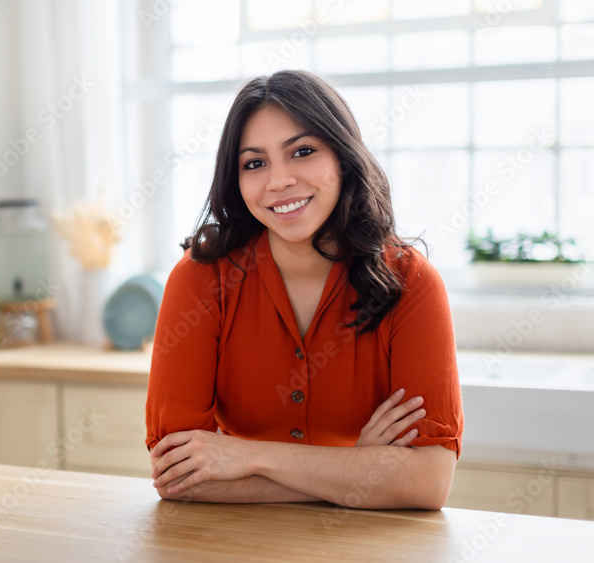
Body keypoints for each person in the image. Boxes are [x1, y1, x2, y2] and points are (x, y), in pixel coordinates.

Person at [145, 70, 464, 510]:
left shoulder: (412, 283)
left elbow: (427, 482)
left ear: (343, 157)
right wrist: (359, 469)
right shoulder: (201, 279)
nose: (278, 181)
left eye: (302, 152)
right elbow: (177, 476)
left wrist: (249, 457)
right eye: (254, 163)